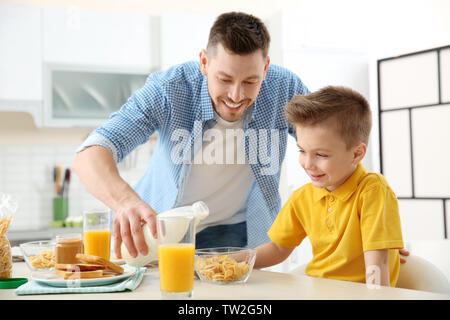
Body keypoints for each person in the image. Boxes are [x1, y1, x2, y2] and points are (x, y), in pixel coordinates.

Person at [72, 11, 310, 259]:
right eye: (225, 79)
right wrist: (125, 201)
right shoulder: (169, 89)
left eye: (250, 81)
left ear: (266, 68)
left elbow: (327, 136)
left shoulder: (285, 88)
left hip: (235, 231)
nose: (236, 96)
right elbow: (90, 154)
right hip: (162, 229)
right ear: (204, 62)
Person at [254, 86, 405, 287]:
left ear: (356, 154)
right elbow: (278, 249)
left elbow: (377, 264)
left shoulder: (372, 190)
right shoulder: (302, 197)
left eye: (321, 155)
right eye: (302, 151)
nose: (307, 164)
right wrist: (230, 261)